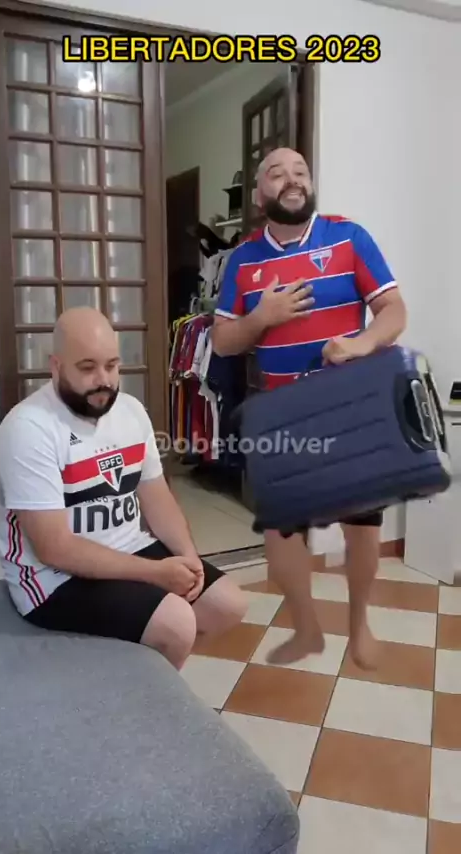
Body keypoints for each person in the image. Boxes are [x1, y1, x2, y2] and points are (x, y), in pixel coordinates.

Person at [211, 147, 407, 669]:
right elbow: (223, 341)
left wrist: (360, 345)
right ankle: (306, 629)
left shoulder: (349, 237)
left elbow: (393, 310)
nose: (292, 180)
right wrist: (263, 317)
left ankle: (359, 625)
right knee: (281, 535)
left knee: (361, 528)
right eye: (277, 174)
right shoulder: (242, 260)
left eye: (300, 171)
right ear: (259, 195)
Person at [0, 307, 247, 670]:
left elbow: (158, 500)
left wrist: (189, 558)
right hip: (53, 578)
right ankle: (138, 694)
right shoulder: (28, 428)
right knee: (176, 622)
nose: (104, 380)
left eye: (112, 366)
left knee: (228, 605)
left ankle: (139, 675)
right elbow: (54, 549)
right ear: (56, 366)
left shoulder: (130, 411)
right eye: (87, 368)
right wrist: (156, 574)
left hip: (129, 547)